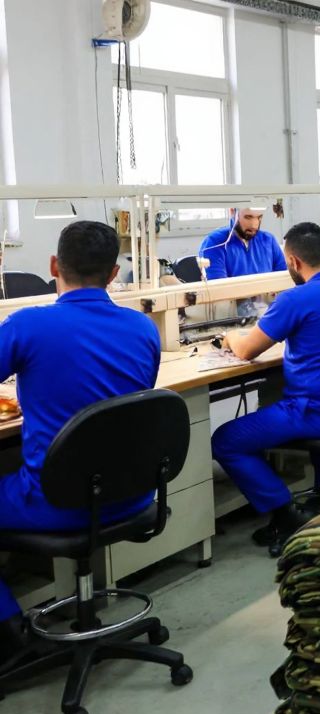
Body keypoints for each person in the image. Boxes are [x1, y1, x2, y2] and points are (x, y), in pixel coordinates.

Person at [0, 221, 160, 667]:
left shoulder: (28, 326)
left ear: (54, 265)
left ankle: (11, 634)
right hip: (131, 493)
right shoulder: (144, 328)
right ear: (114, 274)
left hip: (59, 503)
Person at [212, 223, 320, 557]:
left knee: (225, 440)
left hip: (317, 415)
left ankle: (285, 513)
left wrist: (229, 337)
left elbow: (246, 350)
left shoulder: (296, 298)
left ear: (293, 262)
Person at [199, 208, 288, 279]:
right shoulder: (215, 243)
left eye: (259, 217)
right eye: (248, 217)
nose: (254, 225)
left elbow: (283, 279)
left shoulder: (268, 240)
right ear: (232, 212)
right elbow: (218, 289)